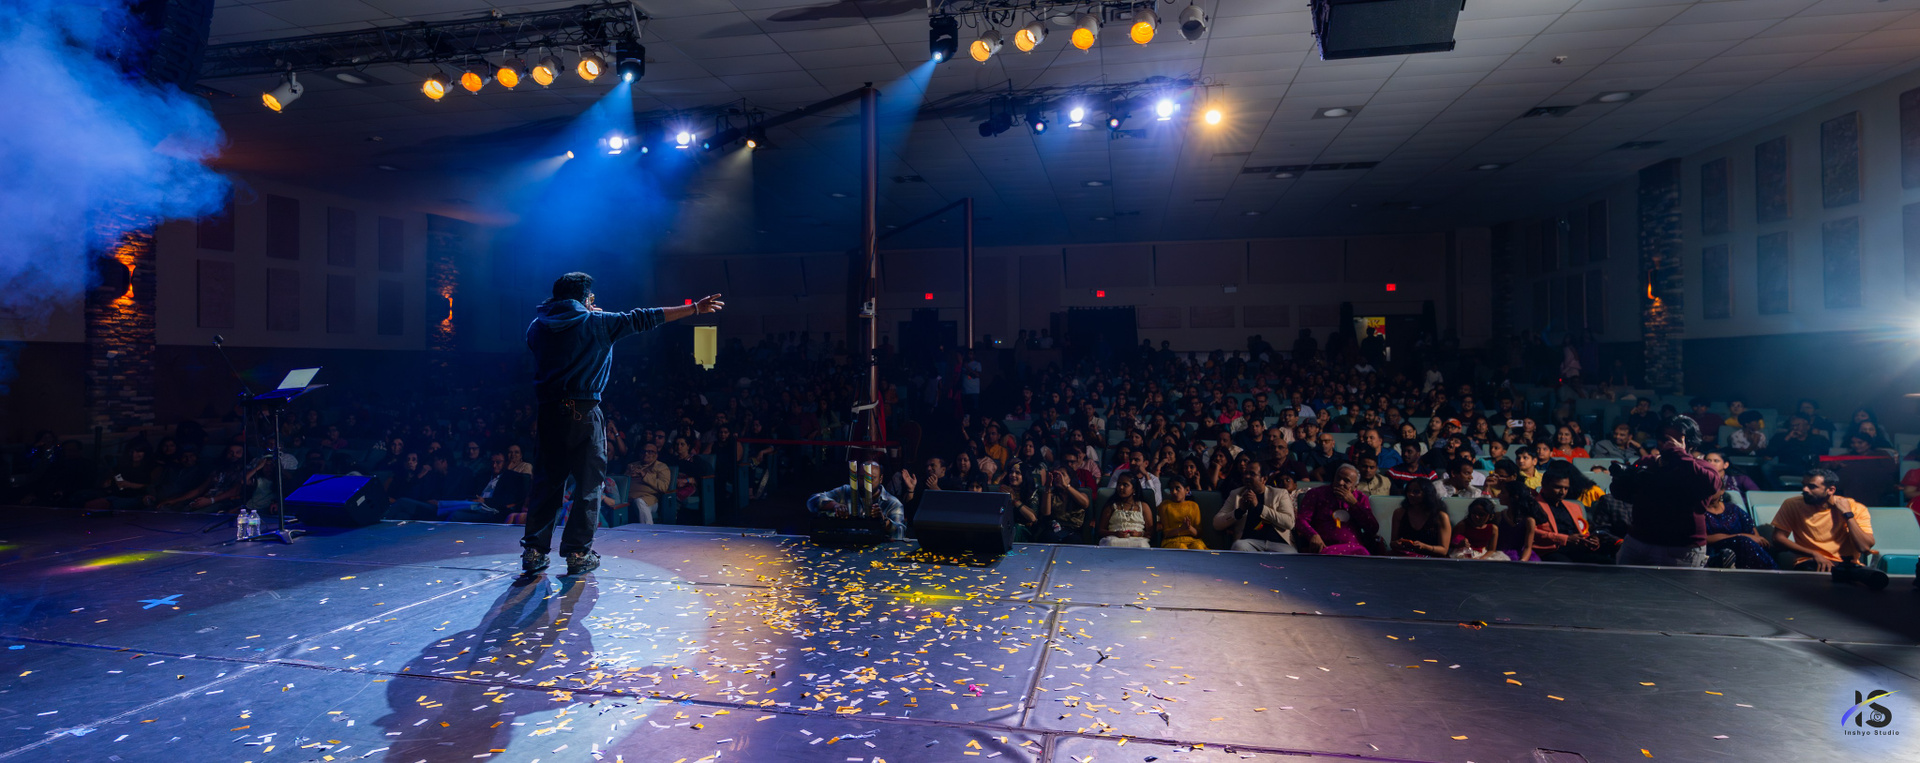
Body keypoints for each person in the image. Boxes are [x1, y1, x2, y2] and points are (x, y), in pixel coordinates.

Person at [521, 272, 724, 576]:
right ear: (586, 298)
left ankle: (534, 552)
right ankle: (577, 553)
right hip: (583, 411)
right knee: (588, 484)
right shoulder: (598, 323)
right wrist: (694, 308)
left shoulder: (537, 326)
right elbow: (645, 318)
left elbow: (555, 343)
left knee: (546, 483)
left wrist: (586, 318)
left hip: (549, 413)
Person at [1613, 416, 1720, 568]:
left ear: (1690, 443)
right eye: (1665, 440)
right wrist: (1620, 480)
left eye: (1675, 441)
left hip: (1680, 548)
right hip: (1638, 541)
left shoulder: (1701, 467)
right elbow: (1623, 495)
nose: (1669, 445)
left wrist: (1679, 454)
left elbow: (1711, 485)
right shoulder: (1648, 462)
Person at [1770, 469, 1887, 589]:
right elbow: (1778, 538)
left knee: (1877, 580)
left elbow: (1864, 547)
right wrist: (1813, 553)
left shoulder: (1855, 508)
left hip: (1847, 566)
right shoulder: (1792, 504)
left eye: (1812, 487)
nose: (1805, 490)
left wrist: (1848, 515)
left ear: (1830, 490)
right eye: (1804, 485)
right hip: (1811, 561)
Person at [1293, 463, 1380, 555]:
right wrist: (1312, 535)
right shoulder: (1316, 494)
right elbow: (1301, 520)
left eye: (1346, 481)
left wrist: (1354, 504)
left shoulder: (1360, 498)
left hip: (1354, 549)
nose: (1340, 483)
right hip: (1324, 547)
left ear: (1355, 487)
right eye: (1338, 478)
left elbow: (1373, 528)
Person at [1215, 461, 1297, 553]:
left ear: (1264, 479)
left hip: (1278, 543)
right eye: (1246, 473)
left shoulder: (1279, 494)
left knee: (1291, 554)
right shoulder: (1236, 494)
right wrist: (1239, 511)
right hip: (1249, 543)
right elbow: (1217, 523)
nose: (1247, 476)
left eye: (1252, 474)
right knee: (1239, 546)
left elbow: (1289, 523)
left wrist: (1259, 507)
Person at [806, 471, 907, 541]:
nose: (867, 483)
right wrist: (835, 505)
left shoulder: (893, 503)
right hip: (844, 549)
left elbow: (900, 533)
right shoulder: (846, 491)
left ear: (881, 479)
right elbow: (812, 501)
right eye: (862, 478)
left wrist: (884, 520)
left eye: (871, 478)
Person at [1532, 474, 1608, 563]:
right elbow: (1531, 531)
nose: (1562, 492)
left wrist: (1589, 540)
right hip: (1550, 550)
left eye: (1566, 488)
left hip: (1577, 550)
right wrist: (1565, 539)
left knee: (1608, 563)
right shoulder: (1533, 505)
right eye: (1558, 487)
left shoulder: (1574, 507)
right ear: (1544, 485)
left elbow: (1583, 530)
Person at [1703, 492, 1775, 569]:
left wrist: (1749, 538)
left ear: (1722, 490)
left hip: (1745, 550)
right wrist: (1740, 536)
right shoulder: (1699, 512)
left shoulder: (1733, 508)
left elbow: (1754, 534)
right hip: (1715, 552)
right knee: (1743, 542)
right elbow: (1704, 538)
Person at [1389, 477, 1451, 557]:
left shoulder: (1441, 516)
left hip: (1432, 559)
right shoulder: (1399, 513)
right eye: (1408, 491)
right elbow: (1392, 543)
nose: (1410, 494)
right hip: (1406, 557)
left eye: (1416, 492)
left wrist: (1425, 547)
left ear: (1427, 494)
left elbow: (1444, 550)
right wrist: (1397, 544)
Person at [1096, 475, 1156, 548]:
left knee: (1141, 545)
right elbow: (1101, 531)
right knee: (1111, 543)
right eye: (1119, 484)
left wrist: (1139, 534)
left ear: (1134, 489)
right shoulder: (1111, 506)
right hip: (1114, 538)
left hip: (1138, 539)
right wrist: (1115, 534)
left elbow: (1151, 532)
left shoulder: (1143, 506)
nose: (1121, 487)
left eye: (1125, 485)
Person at [625, 442, 671, 523]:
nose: (646, 454)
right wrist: (629, 475)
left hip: (649, 500)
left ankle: (647, 529)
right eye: (644, 451)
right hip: (628, 498)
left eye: (650, 452)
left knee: (639, 502)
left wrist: (645, 475)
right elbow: (623, 483)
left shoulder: (661, 467)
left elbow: (663, 487)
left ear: (656, 455)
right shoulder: (632, 466)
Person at [1493, 481, 1540, 561]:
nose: (1499, 495)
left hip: (1521, 555)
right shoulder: (1498, 516)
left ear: (1515, 496)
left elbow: (1527, 547)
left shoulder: (1529, 521)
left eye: (1503, 493)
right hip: (1500, 555)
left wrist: (1522, 561)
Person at [1157, 478, 1207, 549]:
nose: (1174, 492)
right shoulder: (1165, 505)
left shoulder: (1194, 506)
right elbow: (1166, 533)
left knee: (1198, 547)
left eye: (1177, 488)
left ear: (1187, 490)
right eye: (1171, 489)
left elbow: (1198, 533)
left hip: (1192, 540)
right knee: (1181, 548)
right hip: (1172, 540)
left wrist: (1189, 528)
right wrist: (1181, 529)